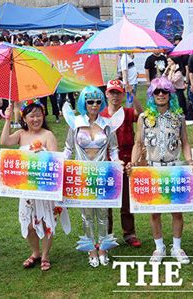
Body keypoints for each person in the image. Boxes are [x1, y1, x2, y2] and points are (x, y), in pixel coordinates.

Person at [127, 77, 193, 263]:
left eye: (164, 91)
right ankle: (159, 248)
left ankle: (177, 247)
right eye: (157, 92)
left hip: (173, 167)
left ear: (169, 94)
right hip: (152, 168)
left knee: (176, 211)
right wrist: (133, 163)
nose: (160, 95)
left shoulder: (178, 116)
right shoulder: (144, 118)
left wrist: (189, 160)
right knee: (155, 211)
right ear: (151, 94)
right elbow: (138, 143)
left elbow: (185, 143)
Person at [0, 99, 70, 270]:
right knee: (29, 223)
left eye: (39, 115)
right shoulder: (20, 134)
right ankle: (35, 252)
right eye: (32, 116)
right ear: (24, 118)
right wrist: (8, 119)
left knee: (47, 222)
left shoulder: (48, 135)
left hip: (44, 188)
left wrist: (41, 156)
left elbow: (55, 162)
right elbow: (4, 142)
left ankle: (45, 255)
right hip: (27, 189)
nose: (36, 119)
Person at [63, 86, 119, 268]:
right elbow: (68, 148)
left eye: (97, 101)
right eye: (90, 102)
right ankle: (91, 249)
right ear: (83, 103)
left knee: (103, 214)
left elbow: (114, 148)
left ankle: (103, 248)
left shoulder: (107, 123)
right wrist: (62, 164)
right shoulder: (75, 123)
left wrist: (117, 163)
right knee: (86, 215)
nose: (94, 105)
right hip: (82, 174)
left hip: (103, 174)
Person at [100, 80, 143, 248]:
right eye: (112, 92)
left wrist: (133, 95)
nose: (115, 96)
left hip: (126, 159)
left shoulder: (127, 112)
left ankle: (129, 233)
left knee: (126, 200)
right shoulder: (101, 115)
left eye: (118, 92)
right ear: (106, 94)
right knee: (107, 200)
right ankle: (107, 234)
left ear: (122, 94)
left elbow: (142, 115)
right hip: (106, 161)